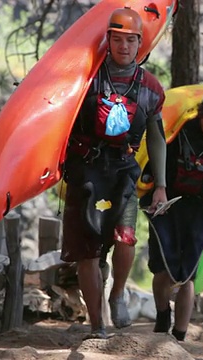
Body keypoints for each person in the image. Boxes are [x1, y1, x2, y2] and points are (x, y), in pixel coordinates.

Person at [60, 7, 168, 339]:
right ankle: (97, 325)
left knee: (126, 238)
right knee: (88, 251)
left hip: (123, 171)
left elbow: (158, 137)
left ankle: (118, 293)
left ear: (140, 44)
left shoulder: (150, 88)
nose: (123, 46)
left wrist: (161, 185)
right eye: (117, 39)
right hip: (86, 171)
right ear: (107, 40)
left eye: (130, 41)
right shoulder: (85, 80)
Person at [140, 87, 203, 342]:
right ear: (201, 113)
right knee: (162, 270)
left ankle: (180, 336)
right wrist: (152, 192)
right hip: (165, 206)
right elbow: (152, 163)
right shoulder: (178, 132)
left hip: (198, 212)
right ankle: (163, 316)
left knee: (187, 276)